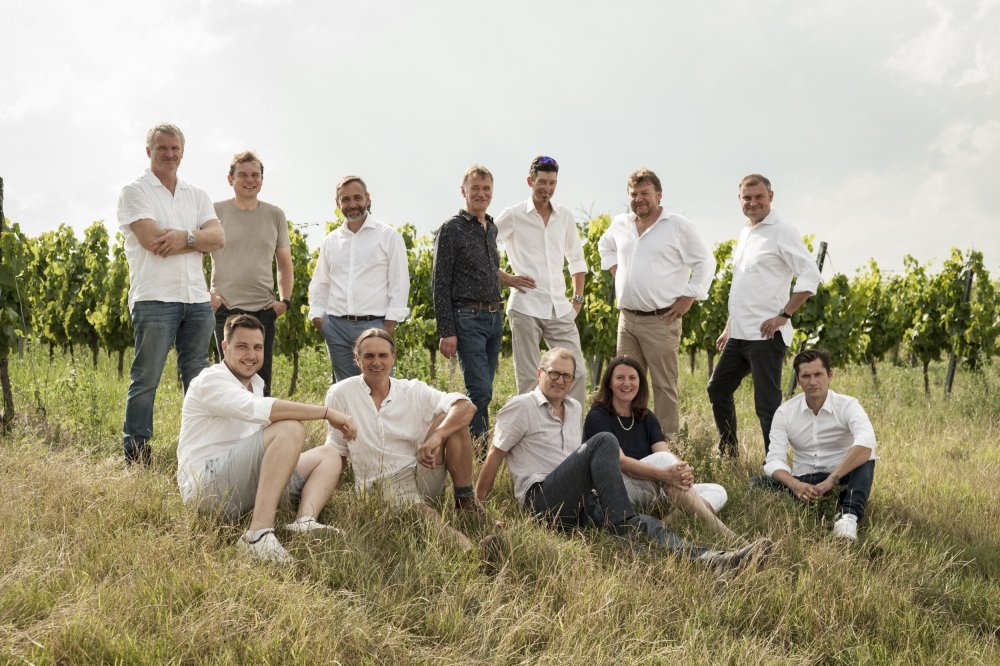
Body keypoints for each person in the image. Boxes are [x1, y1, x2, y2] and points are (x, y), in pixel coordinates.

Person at [476, 348, 769, 570]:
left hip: (577, 501)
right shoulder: (521, 407)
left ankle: (715, 560)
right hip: (542, 500)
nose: (560, 380)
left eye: (566, 375)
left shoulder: (574, 407)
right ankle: (625, 532)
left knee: (648, 524)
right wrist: (479, 510)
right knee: (604, 441)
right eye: (553, 373)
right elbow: (495, 455)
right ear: (540, 374)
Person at [177, 314, 356, 563]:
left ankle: (305, 520)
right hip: (208, 488)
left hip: (244, 480)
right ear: (225, 347)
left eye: (257, 347)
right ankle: (257, 535)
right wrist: (326, 413)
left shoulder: (257, 384)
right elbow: (263, 410)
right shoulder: (211, 380)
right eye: (242, 346)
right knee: (290, 429)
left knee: (329, 455)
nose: (251, 354)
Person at [116, 122, 224, 464]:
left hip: (196, 299)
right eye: (162, 148)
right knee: (147, 377)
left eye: (175, 148)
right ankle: (136, 451)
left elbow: (218, 238)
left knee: (196, 378)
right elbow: (153, 242)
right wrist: (196, 239)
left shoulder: (197, 194)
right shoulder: (135, 191)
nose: (170, 154)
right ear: (149, 152)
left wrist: (184, 238)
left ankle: (198, 447)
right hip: (154, 298)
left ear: (182, 151)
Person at [324, 328, 488, 552]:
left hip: (422, 470)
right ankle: (473, 553)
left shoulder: (412, 390)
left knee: (452, 419)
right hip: (383, 484)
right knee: (424, 514)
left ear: (393, 357)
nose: (376, 362)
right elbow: (336, 451)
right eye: (368, 356)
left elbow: (466, 406)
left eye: (383, 355)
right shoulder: (340, 393)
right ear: (357, 359)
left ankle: (465, 501)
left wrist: (436, 437)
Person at [707, 173, 822, 457]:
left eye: (759, 197)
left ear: (771, 197)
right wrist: (728, 325)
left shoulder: (782, 231)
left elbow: (810, 274)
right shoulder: (746, 232)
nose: (753, 202)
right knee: (717, 389)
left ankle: (775, 465)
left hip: (765, 335)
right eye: (747, 198)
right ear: (740, 200)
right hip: (739, 333)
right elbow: (744, 287)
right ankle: (729, 451)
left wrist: (785, 314)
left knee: (766, 404)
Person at [597, 168, 714, 440]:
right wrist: (618, 271)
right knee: (624, 385)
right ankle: (628, 442)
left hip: (661, 321)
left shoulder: (678, 226)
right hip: (627, 320)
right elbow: (605, 246)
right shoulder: (621, 223)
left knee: (663, 387)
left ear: (659, 195)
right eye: (634, 194)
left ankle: (666, 449)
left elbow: (705, 262)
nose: (639, 199)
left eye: (645, 193)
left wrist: (688, 297)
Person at [584, 356, 739, 541]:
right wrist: (665, 474)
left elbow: (663, 451)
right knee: (664, 461)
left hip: (650, 484)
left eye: (632, 378)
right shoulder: (598, 415)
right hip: (615, 488)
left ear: (640, 383)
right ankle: (724, 533)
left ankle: (664, 525)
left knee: (717, 490)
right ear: (609, 382)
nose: (627, 383)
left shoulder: (646, 416)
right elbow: (622, 462)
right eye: (620, 378)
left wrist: (682, 469)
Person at [752, 349, 877, 540]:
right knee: (756, 484)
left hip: (842, 477)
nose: (812, 382)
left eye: (818, 374)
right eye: (806, 376)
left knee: (866, 456)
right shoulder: (785, 413)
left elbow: (866, 442)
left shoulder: (848, 405)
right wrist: (795, 485)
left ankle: (848, 517)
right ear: (798, 379)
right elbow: (773, 460)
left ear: (829, 375)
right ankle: (810, 505)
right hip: (805, 480)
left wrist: (831, 480)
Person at [495, 155, 588, 406]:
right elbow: (482, 245)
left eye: (552, 183)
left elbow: (577, 261)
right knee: (528, 380)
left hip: (560, 308)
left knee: (577, 373)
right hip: (525, 307)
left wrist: (577, 301)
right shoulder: (514, 215)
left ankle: (571, 437)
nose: (547, 189)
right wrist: (506, 278)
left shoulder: (564, 217)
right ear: (530, 181)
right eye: (542, 182)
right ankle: (530, 439)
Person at [308, 176, 409, 382]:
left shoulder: (388, 236)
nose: (352, 204)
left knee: (380, 388)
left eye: (357, 198)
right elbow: (321, 283)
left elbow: (399, 284)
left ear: (368, 198)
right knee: (344, 392)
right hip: (336, 328)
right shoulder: (331, 241)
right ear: (338, 203)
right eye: (345, 199)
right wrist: (320, 321)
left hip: (374, 326)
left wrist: (386, 327)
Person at [210, 151, 292, 396]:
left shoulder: (275, 215)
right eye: (242, 174)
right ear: (230, 179)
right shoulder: (215, 211)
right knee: (227, 378)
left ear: (262, 180)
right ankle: (229, 433)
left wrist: (284, 301)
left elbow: (284, 263)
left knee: (261, 379)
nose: (249, 179)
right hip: (224, 309)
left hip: (263, 310)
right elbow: (195, 258)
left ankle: (260, 432)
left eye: (255, 175)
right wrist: (208, 295)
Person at [432, 164, 503, 440]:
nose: (481, 194)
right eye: (475, 188)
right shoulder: (452, 229)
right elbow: (440, 282)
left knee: (485, 389)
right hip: (468, 318)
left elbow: (490, 271)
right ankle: (470, 447)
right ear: (464, 191)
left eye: (486, 189)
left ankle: (478, 447)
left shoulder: (492, 228)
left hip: (495, 319)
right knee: (480, 390)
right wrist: (446, 330)